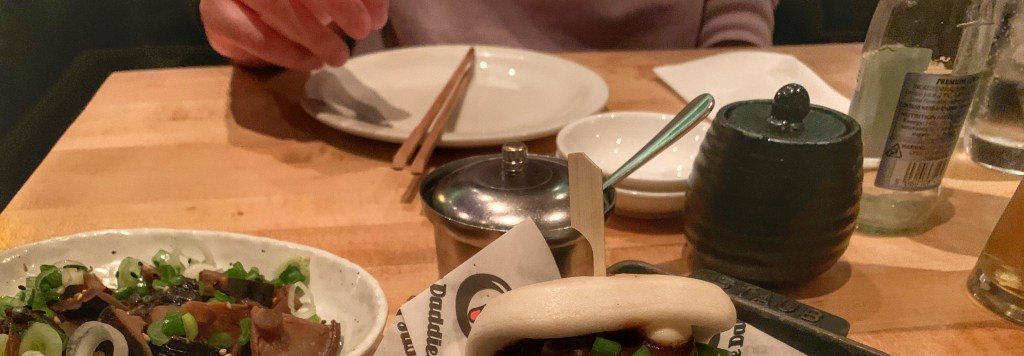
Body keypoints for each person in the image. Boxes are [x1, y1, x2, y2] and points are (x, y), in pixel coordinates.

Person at [198, 0, 780, 71]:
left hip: (659, 136)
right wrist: (269, 32)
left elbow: (739, 19)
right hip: (391, 135)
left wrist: (736, 71)